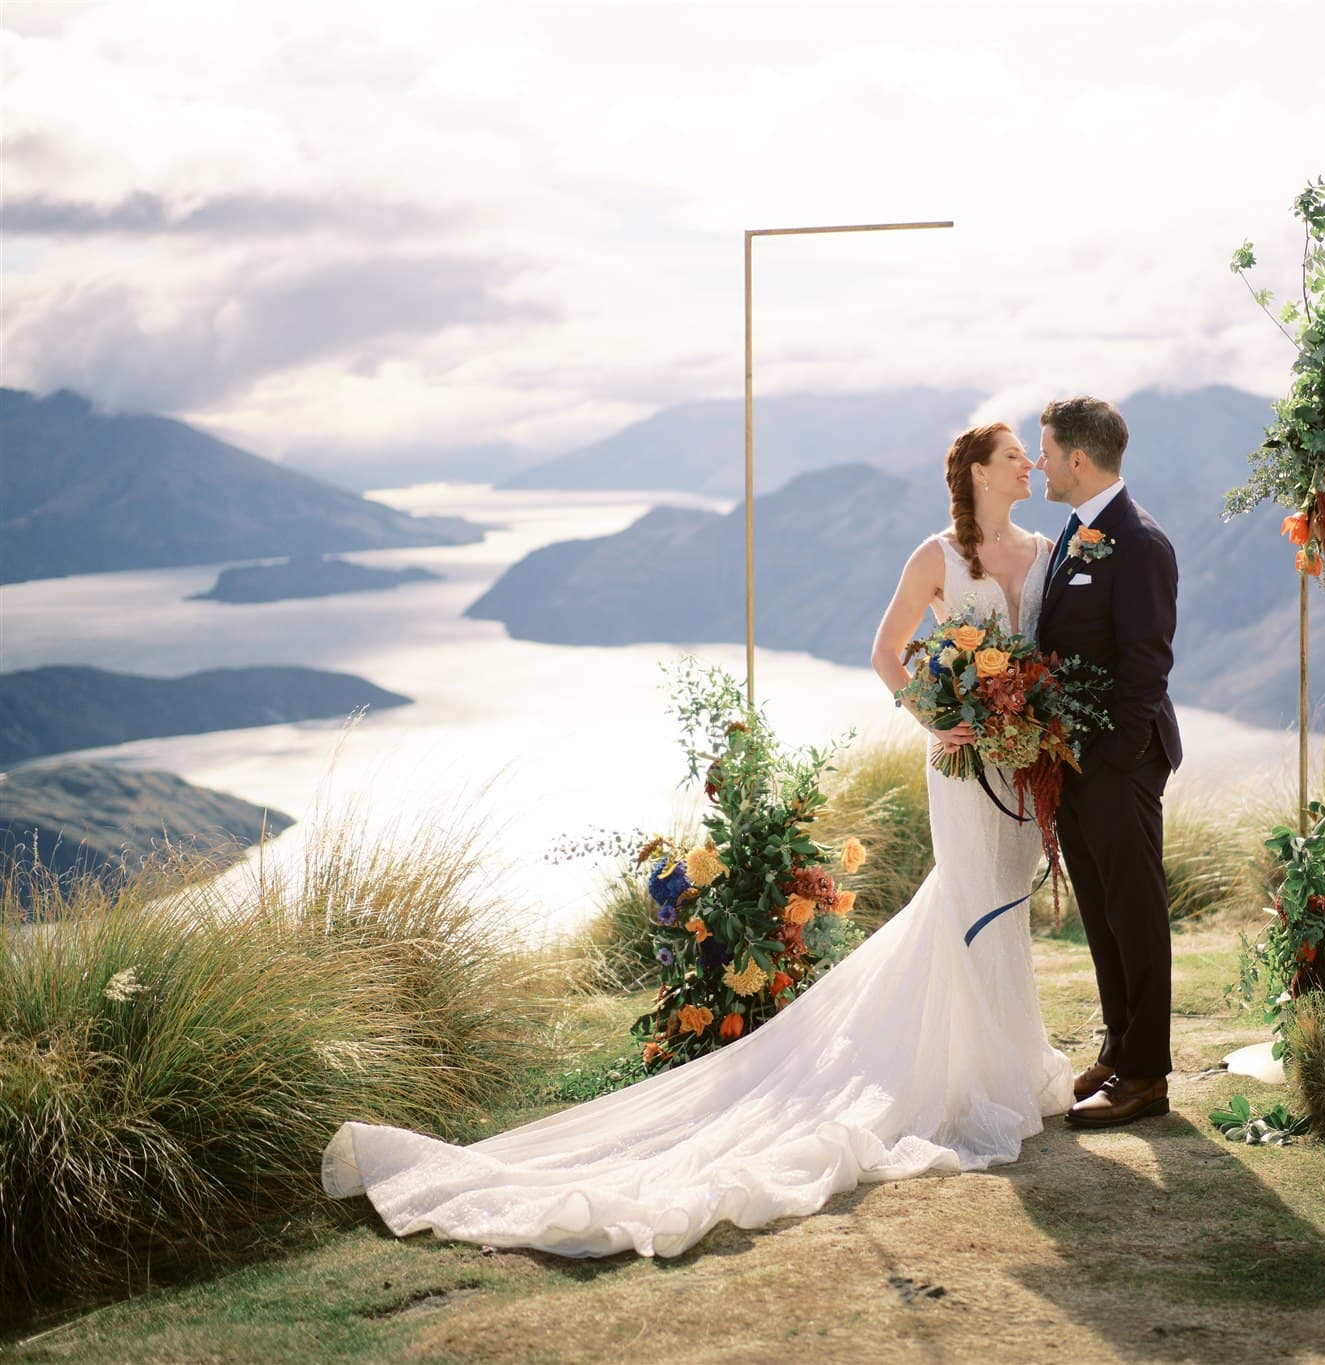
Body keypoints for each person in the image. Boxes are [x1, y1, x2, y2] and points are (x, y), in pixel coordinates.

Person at [321, 421, 1072, 1259]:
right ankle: (972, 1076)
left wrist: (1029, 713)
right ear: (976, 471)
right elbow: (886, 652)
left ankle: (1009, 1054)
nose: (1029, 464)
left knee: (1003, 907)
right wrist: (940, 714)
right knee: (968, 900)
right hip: (963, 764)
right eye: (1014, 455)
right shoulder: (936, 556)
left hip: (1023, 762)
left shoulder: (1044, 551)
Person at [1032, 395, 1182, 1127]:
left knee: (1136, 910)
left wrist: (1111, 759)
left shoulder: (1141, 542)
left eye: (1048, 451)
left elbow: (1147, 665)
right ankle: (1120, 1046)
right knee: (1100, 911)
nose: (1040, 463)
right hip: (1077, 763)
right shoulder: (1073, 533)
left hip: (1120, 762)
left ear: (1079, 461)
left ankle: (1148, 1074)